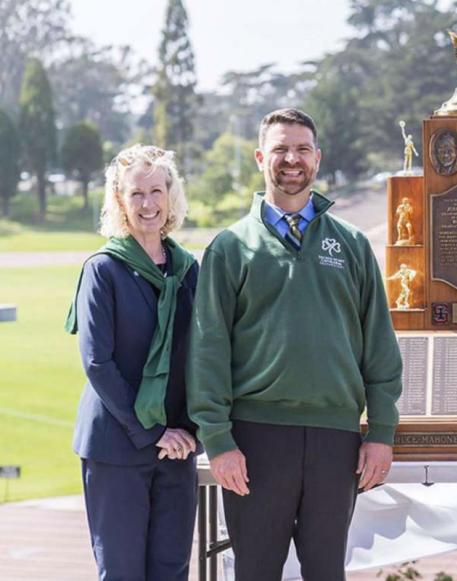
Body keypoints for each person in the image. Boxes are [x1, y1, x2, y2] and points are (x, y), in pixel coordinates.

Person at [187, 108, 403, 581]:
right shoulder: (230, 247)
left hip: (336, 439)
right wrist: (219, 441)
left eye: (302, 149)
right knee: (256, 572)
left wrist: (382, 432)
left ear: (317, 159)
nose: (292, 159)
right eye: (281, 149)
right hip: (255, 439)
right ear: (261, 157)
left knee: (327, 572)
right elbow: (207, 350)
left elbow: (380, 346)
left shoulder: (350, 243)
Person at [67, 144, 199, 581]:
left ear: (171, 196)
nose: (148, 204)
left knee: (171, 569)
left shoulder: (188, 270)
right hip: (117, 445)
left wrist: (189, 431)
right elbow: (98, 363)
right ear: (120, 201)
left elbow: (203, 355)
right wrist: (152, 431)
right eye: (136, 194)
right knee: (122, 573)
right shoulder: (103, 270)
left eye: (157, 191)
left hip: (176, 445)